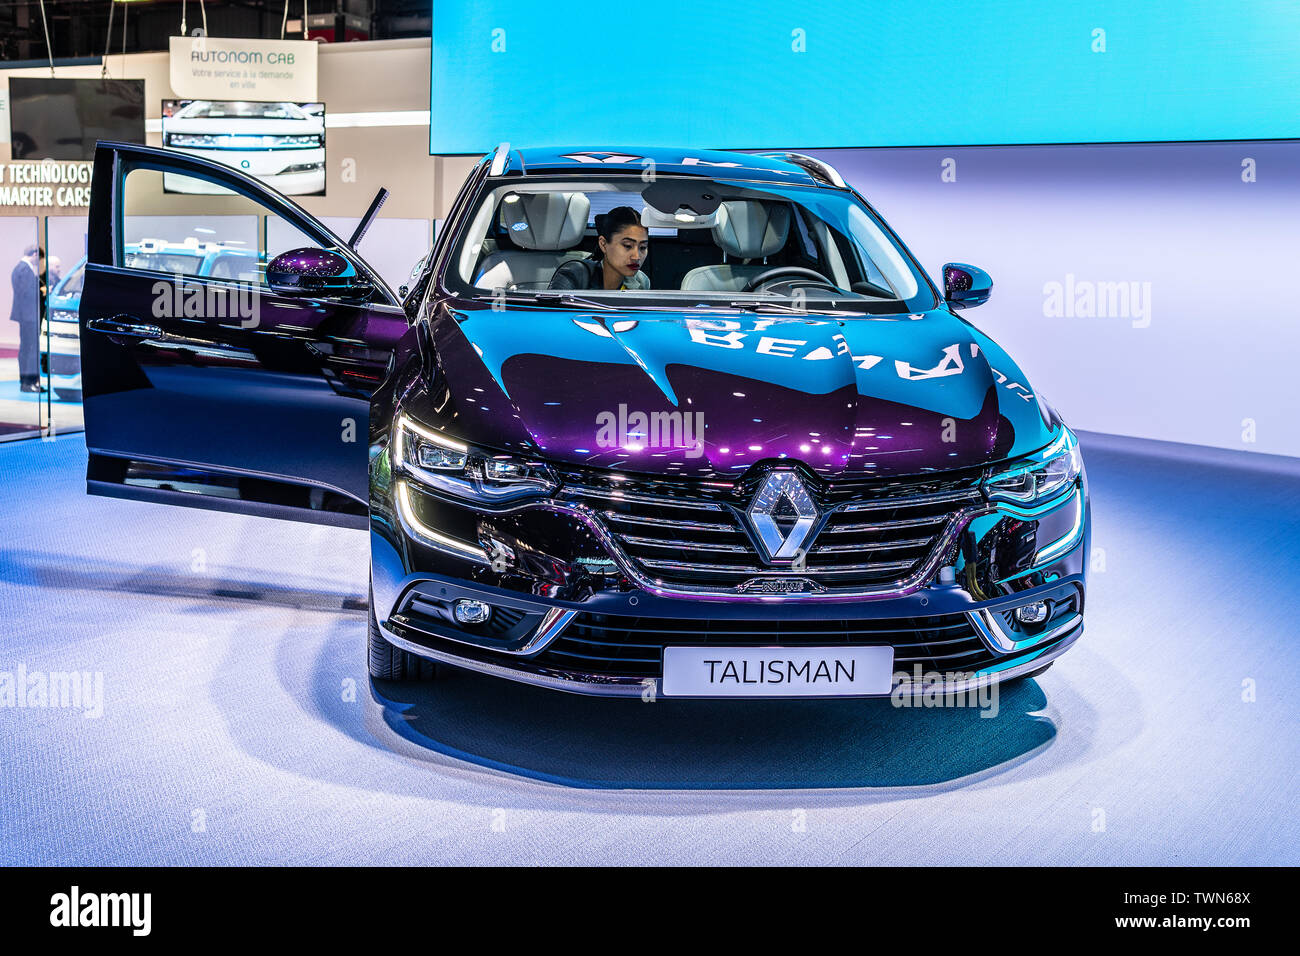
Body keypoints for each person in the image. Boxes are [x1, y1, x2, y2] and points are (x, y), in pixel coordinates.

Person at [549, 206, 650, 290]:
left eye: (642, 247)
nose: (636, 257)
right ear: (603, 244)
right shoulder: (574, 274)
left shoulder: (641, 281)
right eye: (627, 246)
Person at [10, 245, 44, 393]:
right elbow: (26, 293)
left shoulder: (21, 268)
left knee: (27, 348)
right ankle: (28, 382)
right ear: (35, 254)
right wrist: (41, 290)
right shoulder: (24, 269)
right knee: (30, 349)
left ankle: (27, 381)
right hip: (29, 316)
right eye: (39, 259)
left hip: (27, 316)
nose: (39, 262)